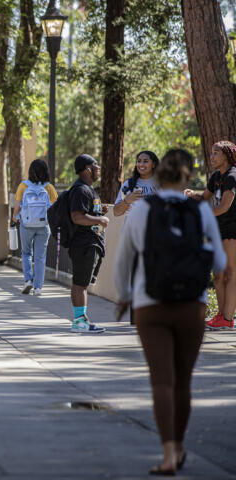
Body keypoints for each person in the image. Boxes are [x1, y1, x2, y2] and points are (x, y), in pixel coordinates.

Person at [114, 149, 226, 475]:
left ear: (159, 175)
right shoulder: (201, 210)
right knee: (183, 383)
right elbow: (219, 263)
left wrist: (124, 297)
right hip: (192, 305)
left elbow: (123, 262)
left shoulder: (141, 210)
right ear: (187, 178)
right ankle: (179, 446)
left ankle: (167, 455)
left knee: (162, 382)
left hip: (151, 305)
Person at [185, 140, 236, 330]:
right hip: (218, 229)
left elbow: (224, 207)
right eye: (211, 153)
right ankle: (220, 316)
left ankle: (228, 318)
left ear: (227, 156)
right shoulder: (216, 176)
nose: (212, 156)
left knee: (230, 273)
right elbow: (205, 198)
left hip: (232, 230)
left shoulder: (232, 176)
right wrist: (192, 195)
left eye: (216, 153)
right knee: (218, 275)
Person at [68, 154, 109, 333]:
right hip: (83, 244)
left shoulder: (88, 189)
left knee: (82, 283)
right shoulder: (80, 190)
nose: (99, 168)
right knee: (80, 284)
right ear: (87, 169)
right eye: (96, 165)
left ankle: (81, 320)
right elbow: (77, 216)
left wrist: (99, 211)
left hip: (90, 243)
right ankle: (79, 321)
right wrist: (99, 221)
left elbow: (86, 211)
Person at [12, 159, 57, 296]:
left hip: (26, 224)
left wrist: (15, 217)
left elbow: (17, 206)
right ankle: (38, 288)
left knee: (26, 253)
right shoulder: (49, 188)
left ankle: (28, 281)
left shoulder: (23, 186)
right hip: (44, 226)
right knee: (40, 257)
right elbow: (54, 208)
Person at [113, 151, 160, 217]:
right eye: (139, 161)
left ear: (153, 164)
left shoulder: (162, 184)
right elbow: (116, 212)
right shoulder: (129, 184)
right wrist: (126, 201)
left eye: (145, 161)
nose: (141, 164)